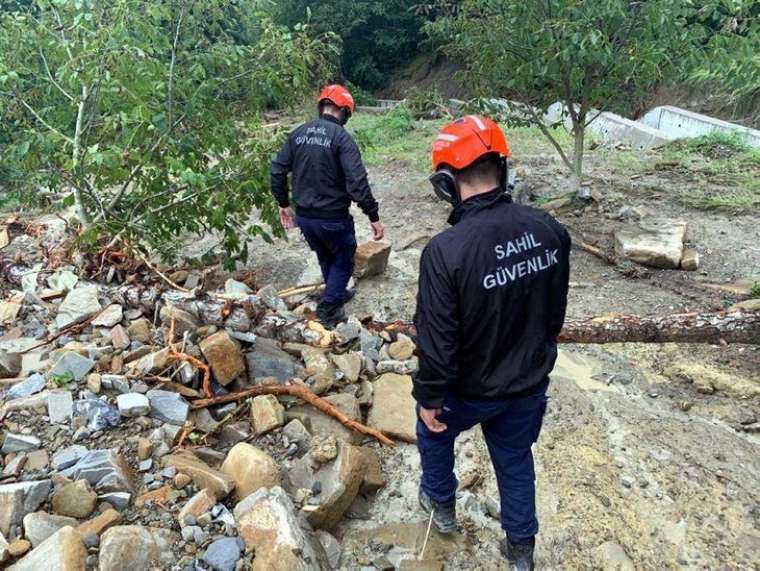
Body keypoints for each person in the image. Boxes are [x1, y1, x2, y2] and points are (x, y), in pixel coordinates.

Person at [413, 115, 571, 570]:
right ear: (503, 169)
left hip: (470, 391)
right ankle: (521, 552)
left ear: (446, 182)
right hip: (527, 385)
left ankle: (441, 506)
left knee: (431, 428)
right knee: (515, 459)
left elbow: (437, 345)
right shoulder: (549, 230)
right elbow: (553, 315)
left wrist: (429, 396)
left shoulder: (445, 251)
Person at [270, 84, 384, 327]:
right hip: (333, 217)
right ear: (343, 111)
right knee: (343, 261)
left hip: (305, 218)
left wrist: (283, 204)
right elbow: (357, 181)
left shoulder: (297, 133)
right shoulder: (342, 138)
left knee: (324, 254)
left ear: (322, 106)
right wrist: (373, 215)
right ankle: (328, 310)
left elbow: (277, 170)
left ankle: (336, 292)